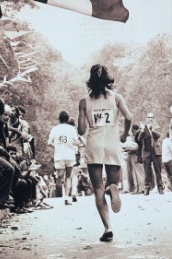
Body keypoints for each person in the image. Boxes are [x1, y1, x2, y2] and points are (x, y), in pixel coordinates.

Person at [77, 64, 132, 242]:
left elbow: (81, 129)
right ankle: (114, 187)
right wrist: (124, 134)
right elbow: (129, 118)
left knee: (98, 189)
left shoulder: (84, 101)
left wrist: (85, 118)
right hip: (112, 142)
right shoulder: (116, 98)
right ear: (108, 79)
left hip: (93, 143)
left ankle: (108, 227)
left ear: (90, 80)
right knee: (111, 181)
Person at [47, 111, 79, 205]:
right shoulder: (71, 129)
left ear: (59, 119)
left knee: (60, 176)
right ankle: (66, 197)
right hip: (69, 155)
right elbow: (77, 142)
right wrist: (71, 144)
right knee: (68, 177)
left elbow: (49, 142)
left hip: (59, 155)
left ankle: (61, 193)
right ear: (67, 119)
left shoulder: (55, 129)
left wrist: (56, 146)